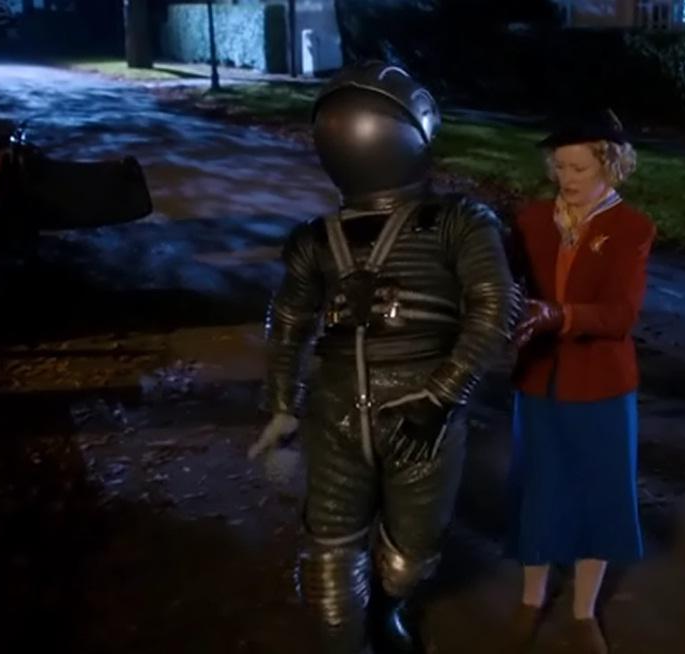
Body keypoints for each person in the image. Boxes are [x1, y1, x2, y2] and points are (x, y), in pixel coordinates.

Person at [249, 61, 519, 654]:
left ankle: (386, 607)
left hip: (398, 406)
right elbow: (289, 319)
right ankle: (369, 623)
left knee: (399, 552)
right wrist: (283, 405)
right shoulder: (326, 237)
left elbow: (494, 306)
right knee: (341, 551)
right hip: (369, 408)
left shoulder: (455, 222)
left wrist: (440, 394)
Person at [506, 108, 656, 654]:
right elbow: (506, 285)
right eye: (561, 167)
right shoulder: (530, 220)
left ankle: (583, 611)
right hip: (539, 378)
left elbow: (620, 314)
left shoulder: (631, 228)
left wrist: (561, 315)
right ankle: (531, 601)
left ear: (609, 166)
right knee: (539, 489)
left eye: (579, 169)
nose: (566, 179)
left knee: (598, 493)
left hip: (601, 385)